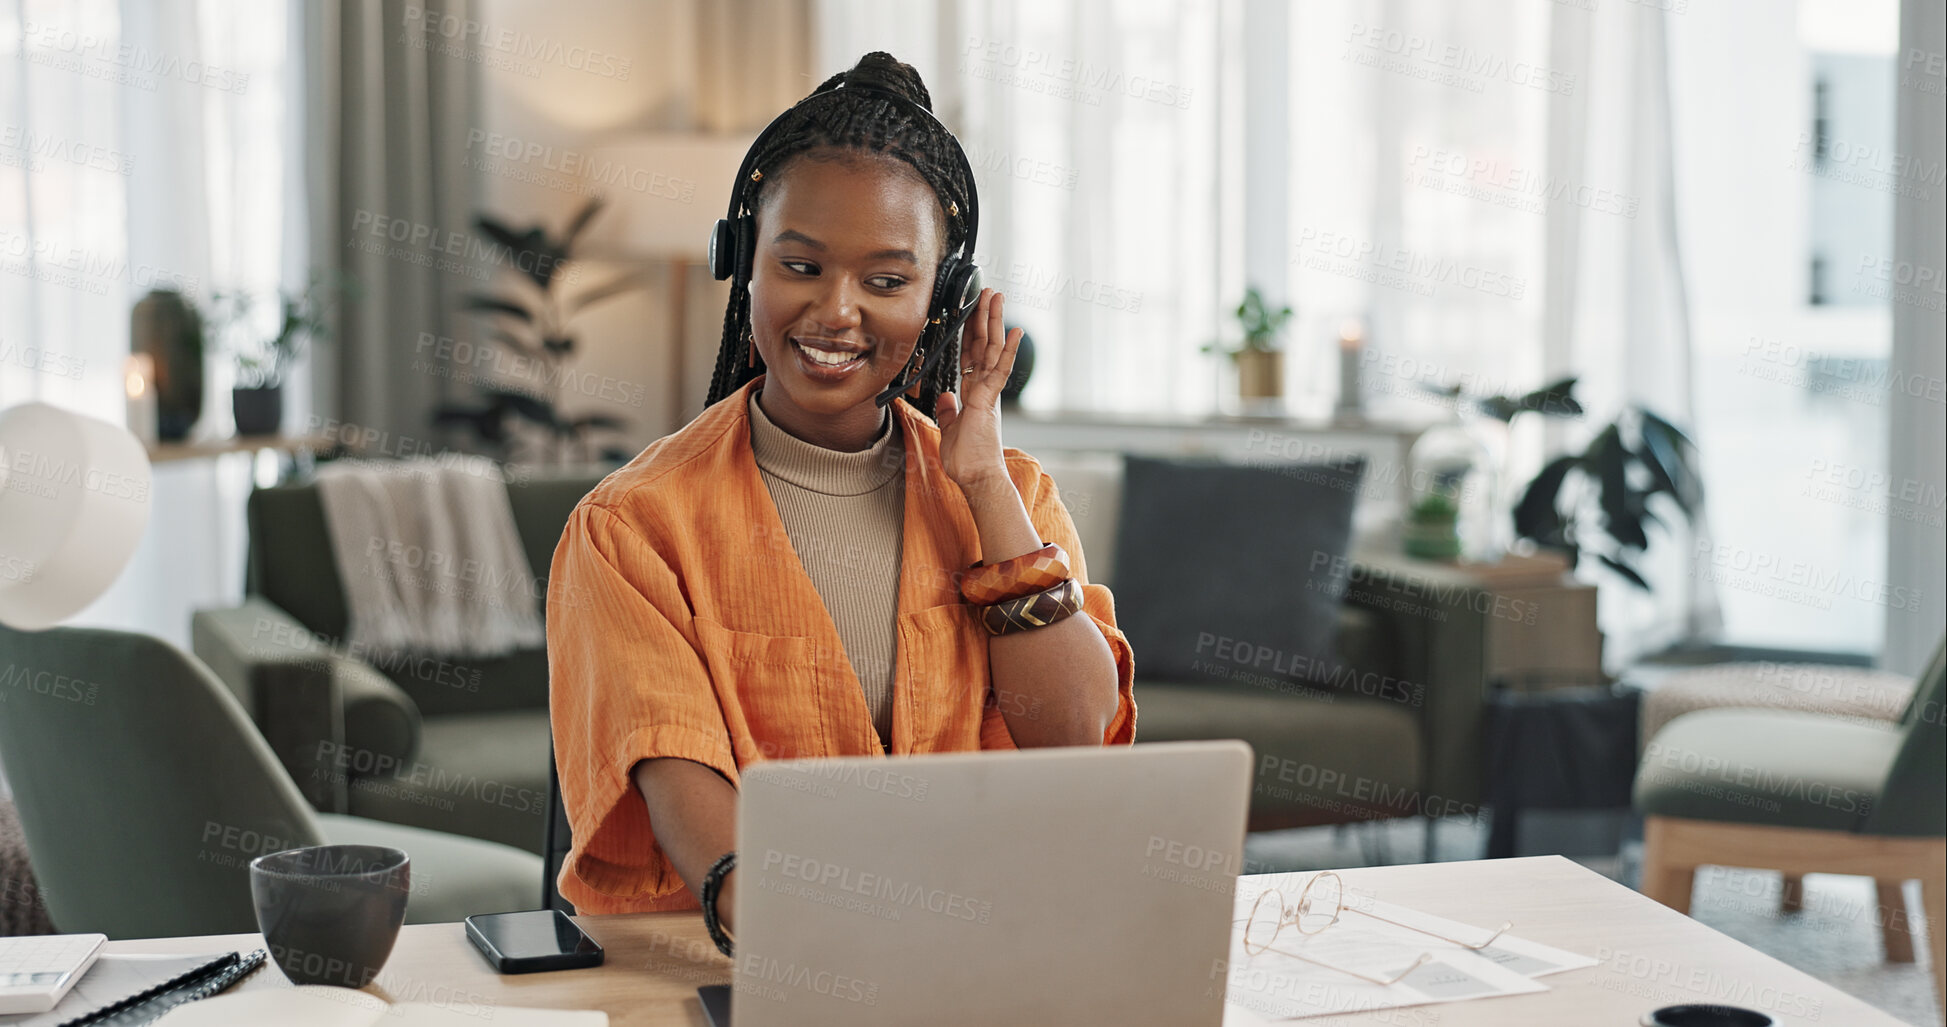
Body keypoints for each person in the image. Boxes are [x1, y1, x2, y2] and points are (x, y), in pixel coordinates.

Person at [546, 52, 1137, 928]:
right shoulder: (631, 525)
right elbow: (677, 770)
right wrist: (814, 934)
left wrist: (979, 485)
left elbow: (1075, 734)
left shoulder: (1009, 497)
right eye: (801, 266)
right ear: (743, 264)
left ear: (943, 297)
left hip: (979, 940)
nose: (837, 310)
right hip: (750, 957)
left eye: (887, 281)